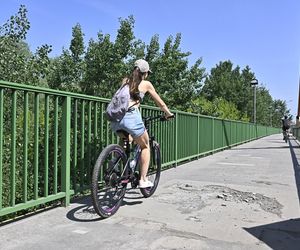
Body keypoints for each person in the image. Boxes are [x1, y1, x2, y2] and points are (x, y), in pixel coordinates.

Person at [110, 59, 174, 188]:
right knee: (145, 146)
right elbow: (160, 103)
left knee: (127, 138)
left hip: (115, 118)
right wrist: (168, 113)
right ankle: (143, 180)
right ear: (145, 73)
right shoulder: (146, 84)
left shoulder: (125, 81)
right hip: (131, 116)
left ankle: (114, 163)